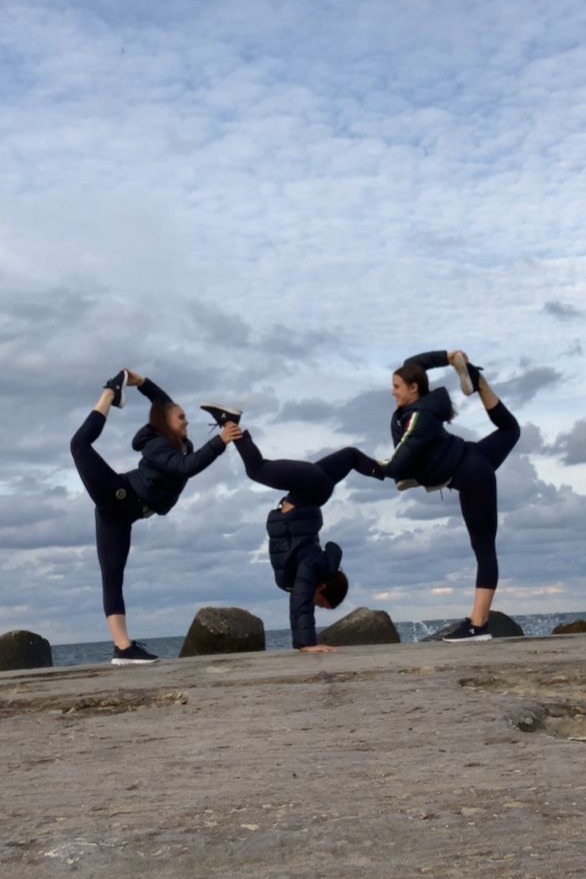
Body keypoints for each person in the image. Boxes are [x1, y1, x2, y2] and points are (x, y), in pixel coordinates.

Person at [70, 371, 242, 665]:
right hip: (118, 494)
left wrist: (141, 382)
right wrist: (220, 442)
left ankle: (122, 649)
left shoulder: (178, 442)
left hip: (123, 514)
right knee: (78, 445)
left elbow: (164, 402)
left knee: (113, 577)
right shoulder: (158, 445)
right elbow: (186, 467)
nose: (187, 421)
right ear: (165, 423)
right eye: (181, 418)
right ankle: (109, 394)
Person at [200, 404, 385, 653]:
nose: (315, 605)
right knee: (256, 469)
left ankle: (390, 471)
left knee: (350, 456)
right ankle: (228, 421)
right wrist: (307, 644)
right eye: (321, 604)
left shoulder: (310, 565)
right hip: (309, 488)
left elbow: (298, 592)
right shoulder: (312, 566)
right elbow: (301, 604)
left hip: (314, 488)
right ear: (322, 588)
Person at [380, 350, 521, 642]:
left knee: (484, 549)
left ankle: (478, 625)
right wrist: (449, 356)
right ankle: (477, 379)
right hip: (473, 454)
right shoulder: (419, 406)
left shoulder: (419, 418)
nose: (392, 392)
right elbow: (416, 363)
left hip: (471, 475)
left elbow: (399, 461)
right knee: (510, 429)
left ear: (413, 388)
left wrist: (367, 465)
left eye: (396, 386)